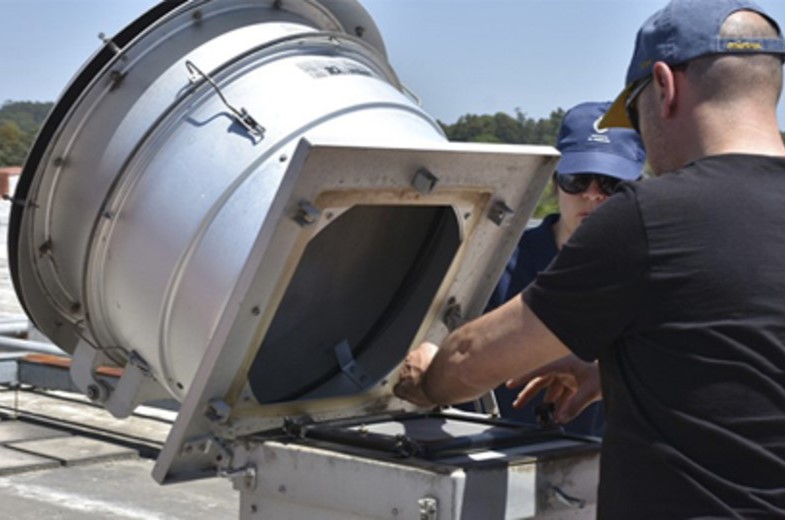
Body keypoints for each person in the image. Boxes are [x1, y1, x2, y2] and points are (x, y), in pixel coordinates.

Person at [394, 0, 785, 518]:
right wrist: (617, 370)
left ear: (664, 87)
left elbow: (470, 361)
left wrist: (426, 378)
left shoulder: (651, 218)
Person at [483, 100, 645, 437]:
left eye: (610, 183)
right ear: (555, 181)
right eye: (577, 180)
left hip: (600, 466)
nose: (592, 196)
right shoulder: (494, 263)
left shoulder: (653, 274)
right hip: (496, 457)